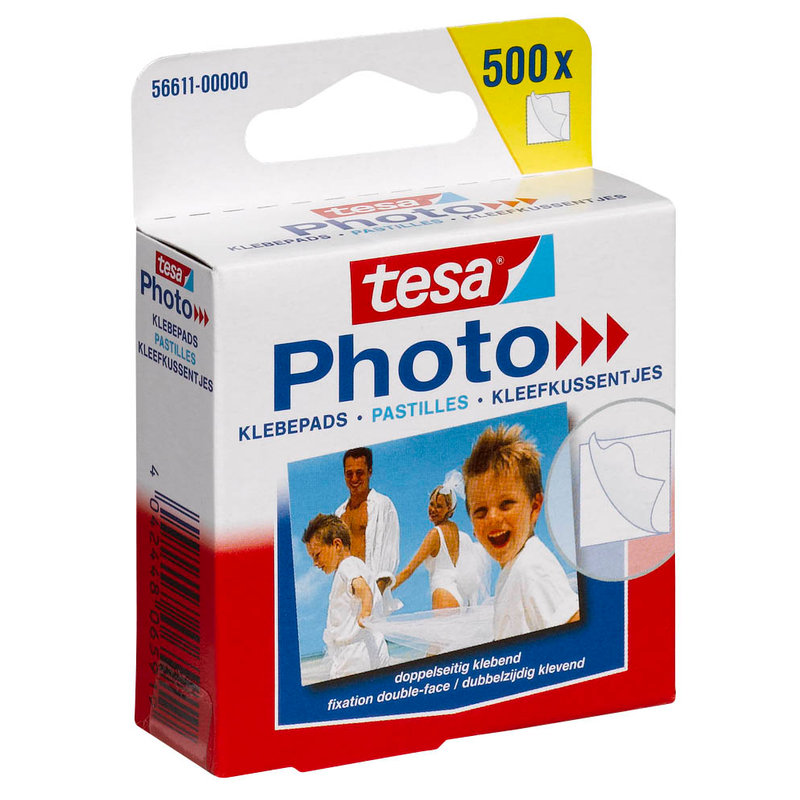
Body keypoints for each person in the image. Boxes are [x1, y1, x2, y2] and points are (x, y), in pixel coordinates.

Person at [463, 424, 580, 640]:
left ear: (534, 507)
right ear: (473, 527)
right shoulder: (513, 571)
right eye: (480, 512)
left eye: (506, 504)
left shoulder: (531, 567)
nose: (493, 518)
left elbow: (573, 620)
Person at [303, 513, 390, 679]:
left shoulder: (347, 566)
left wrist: (365, 611)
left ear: (336, 544)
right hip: (371, 649)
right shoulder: (357, 566)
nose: (315, 563)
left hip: (355, 658)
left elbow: (363, 589)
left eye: (317, 555)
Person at [393, 471, 490, 610]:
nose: (433, 510)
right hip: (457, 594)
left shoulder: (435, 534)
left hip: (443, 593)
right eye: (431, 504)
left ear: (448, 509)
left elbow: (409, 570)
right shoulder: (456, 531)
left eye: (439, 506)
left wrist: (384, 591)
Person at [335, 447, 400, 596]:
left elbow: (389, 555)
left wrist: (374, 598)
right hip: (345, 595)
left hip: (372, 590)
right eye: (349, 474)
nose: (354, 479)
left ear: (370, 471)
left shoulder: (383, 505)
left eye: (359, 473)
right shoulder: (339, 514)